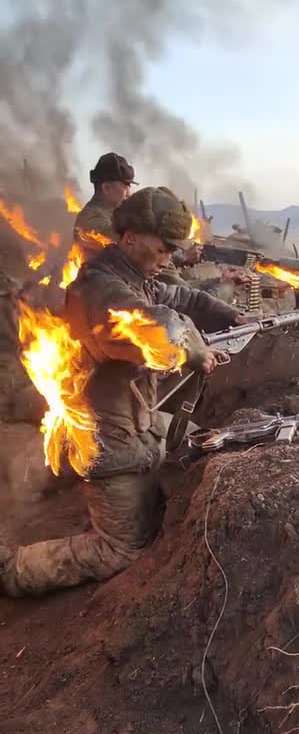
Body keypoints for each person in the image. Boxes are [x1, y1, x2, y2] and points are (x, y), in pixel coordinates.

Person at [0, 186, 251, 597]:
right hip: (107, 442)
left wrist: (231, 314)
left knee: (200, 444)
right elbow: (163, 328)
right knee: (119, 549)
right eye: (164, 248)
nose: (170, 258)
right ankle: (12, 569)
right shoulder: (101, 289)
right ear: (131, 237)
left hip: (138, 424)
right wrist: (195, 350)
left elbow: (181, 295)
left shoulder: (136, 277)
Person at [73, 152, 137, 260]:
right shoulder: (91, 219)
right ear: (106, 188)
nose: (129, 193)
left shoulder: (113, 213)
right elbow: (125, 239)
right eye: (126, 187)